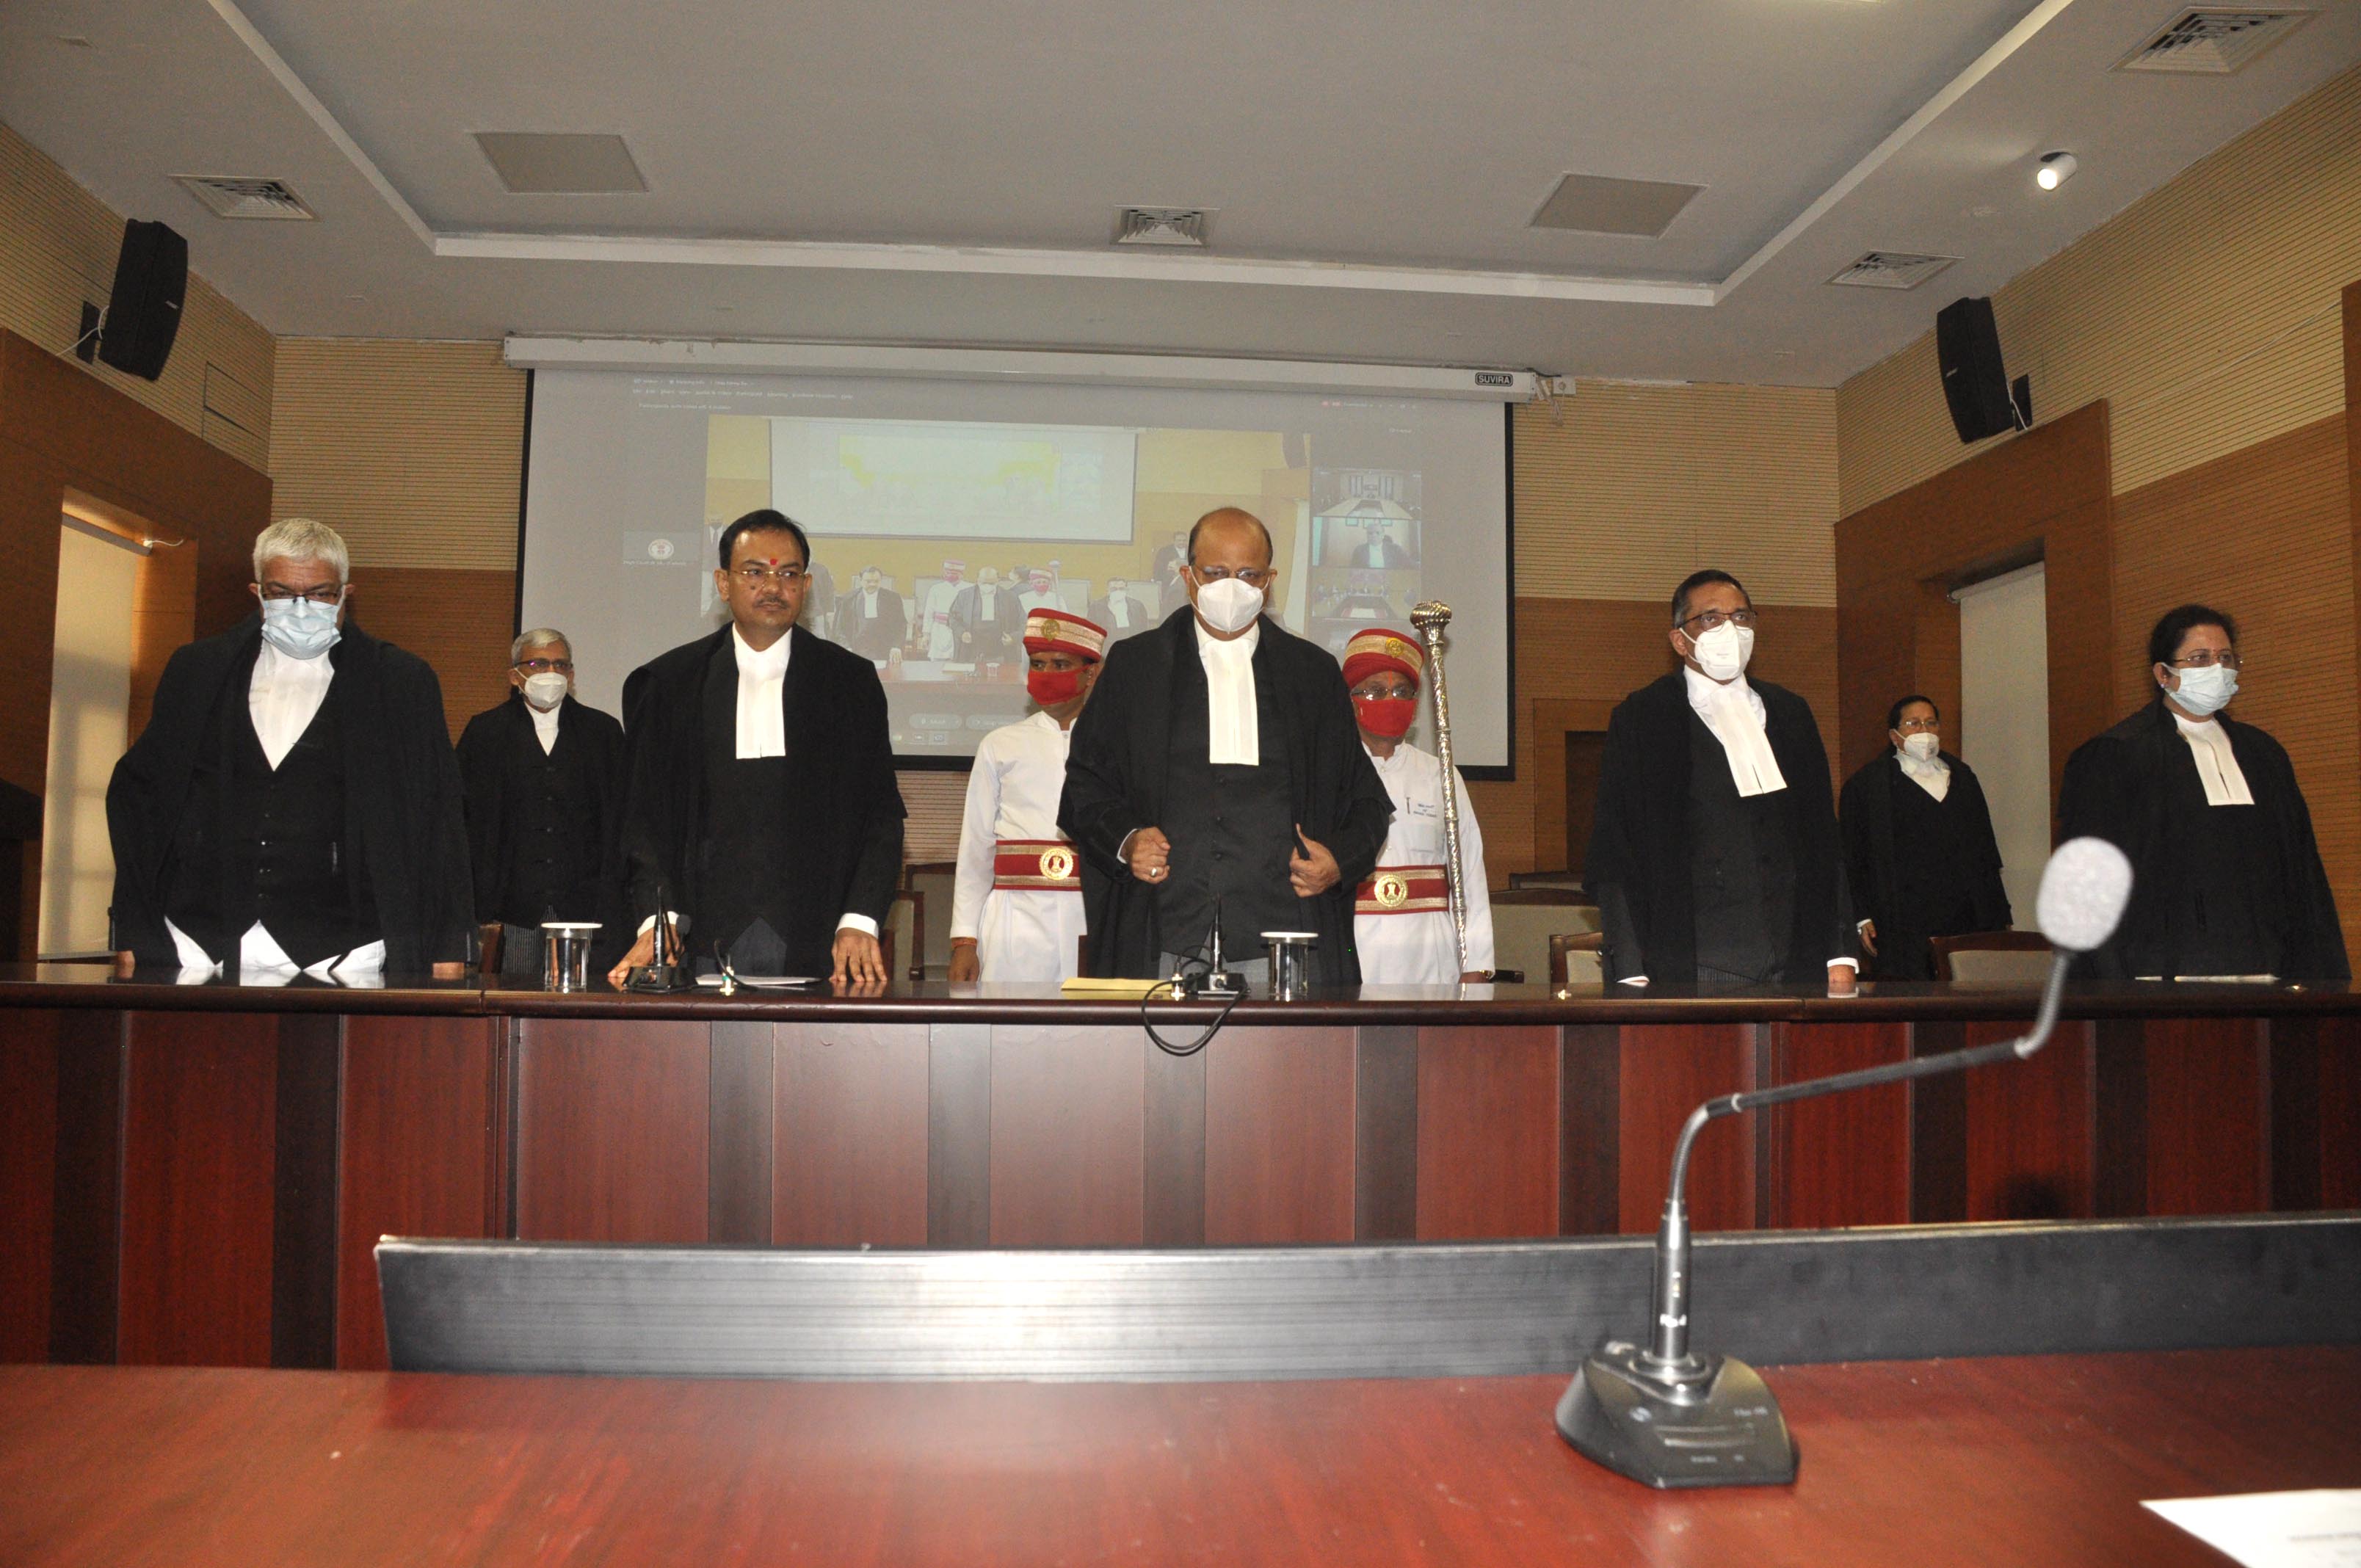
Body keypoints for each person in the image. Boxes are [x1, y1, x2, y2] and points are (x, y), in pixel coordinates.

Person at [106, 518, 471, 981]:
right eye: (282, 593)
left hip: (346, 945)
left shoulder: (400, 681)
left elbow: (439, 813)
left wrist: (448, 944)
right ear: (257, 592)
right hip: (199, 938)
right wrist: (130, 928)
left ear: (345, 593)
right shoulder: (197, 670)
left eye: (319, 594)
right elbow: (142, 801)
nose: (301, 608)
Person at [1061, 507, 1393, 984]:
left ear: (1269, 581)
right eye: (1216, 573)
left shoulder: (1312, 674)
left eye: (1248, 574)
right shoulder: (1136, 667)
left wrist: (1338, 861)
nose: (1232, 587)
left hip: (1283, 939)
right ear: (1188, 577)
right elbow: (1084, 787)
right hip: (1162, 933)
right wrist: (1127, 840)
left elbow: (1366, 803)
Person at [607, 509, 905, 987]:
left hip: (822, 940)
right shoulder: (668, 685)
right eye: (754, 572)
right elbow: (643, 821)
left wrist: (859, 919)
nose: (773, 587)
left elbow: (881, 816)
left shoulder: (849, 683)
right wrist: (657, 921)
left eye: (788, 574)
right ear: (723, 583)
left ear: (806, 587)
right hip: (696, 939)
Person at [1586, 569, 1857, 994]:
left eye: (1741, 617)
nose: (1731, 629)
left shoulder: (1790, 712)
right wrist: (1629, 966)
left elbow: (1824, 838)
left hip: (1797, 956)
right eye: (1711, 619)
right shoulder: (1644, 717)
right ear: (1680, 640)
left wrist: (1840, 953)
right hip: (1697, 960)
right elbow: (1615, 846)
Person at [2059, 604, 2346, 981]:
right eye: (2200, 658)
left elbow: (2303, 872)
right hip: (2159, 973)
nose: (2217, 669)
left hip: (2267, 968)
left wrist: (2320, 973)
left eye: (2225, 658)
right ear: (2163, 673)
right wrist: (2109, 984)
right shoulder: (2115, 756)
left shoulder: (2264, 755)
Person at [456, 628, 628, 981]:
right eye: (538, 664)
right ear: (514, 676)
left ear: (572, 675)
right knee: (513, 995)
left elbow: (621, 820)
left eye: (560, 664)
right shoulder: (485, 732)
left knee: (581, 999)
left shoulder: (603, 732)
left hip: (585, 908)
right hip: (510, 907)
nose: (551, 672)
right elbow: (465, 821)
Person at [948, 610, 1106, 983]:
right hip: (1013, 921)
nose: (1047, 674)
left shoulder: (1117, 744)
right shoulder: (1000, 744)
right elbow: (976, 848)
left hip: (1092, 914)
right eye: (1037, 664)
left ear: (1091, 673)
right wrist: (964, 940)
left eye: (1060, 664)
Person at [1342, 628, 1493, 984]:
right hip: (1354, 948)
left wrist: (1476, 965)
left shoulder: (1440, 774)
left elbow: (1469, 874)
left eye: (1402, 692)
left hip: (1430, 956)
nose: (1391, 700)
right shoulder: (1332, 774)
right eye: (1376, 691)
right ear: (1349, 699)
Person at [1839, 695, 2010, 981]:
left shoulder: (1963, 777)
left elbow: (1985, 849)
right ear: (1894, 735)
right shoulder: (1866, 786)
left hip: (1964, 914)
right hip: (1901, 917)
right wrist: (1861, 916)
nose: (1924, 731)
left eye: (1931, 723)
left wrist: (1999, 913)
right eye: (1913, 723)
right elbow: (1853, 857)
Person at [954, 565, 1025, 666]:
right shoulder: (964, 596)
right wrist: (962, 633)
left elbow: (1023, 622)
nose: (987, 586)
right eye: (984, 583)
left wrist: (1013, 637)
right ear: (977, 580)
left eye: (991, 583)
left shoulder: (1010, 597)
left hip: (1001, 649)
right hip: (972, 649)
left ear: (998, 581)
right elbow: (953, 618)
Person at [838, 565, 906, 662]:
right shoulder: (848, 599)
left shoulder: (893, 599)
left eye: (876, 581)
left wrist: (896, 646)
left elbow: (901, 625)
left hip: (885, 650)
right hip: (857, 650)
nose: (872, 584)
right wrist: (846, 647)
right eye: (868, 581)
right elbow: (840, 628)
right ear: (861, 580)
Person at [918, 561, 971, 660]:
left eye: (954, 573)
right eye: (948, 572)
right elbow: (929, 614)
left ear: (962, 574)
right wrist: (926, 635)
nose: (951, 575)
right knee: (937, 662)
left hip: (962, 630)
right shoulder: (936, 589)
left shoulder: (970, 588)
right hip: (939, 630)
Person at [1089, 576, 1148, 641]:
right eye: (1114, 589)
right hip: (1107, 644)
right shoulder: (1096, 607)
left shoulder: (1137, 606)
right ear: (1108, 590)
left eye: (1121, 589)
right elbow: (1091, 630)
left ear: (1126, 589)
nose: (1118, 592)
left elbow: (1143, 628)